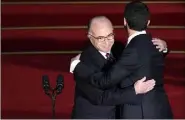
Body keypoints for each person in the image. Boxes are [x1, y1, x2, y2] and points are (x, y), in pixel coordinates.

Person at [70, 15, 169, 118]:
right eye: (100, 38)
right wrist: (134, 91)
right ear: (90, 36)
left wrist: (163, 48)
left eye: (110, 35)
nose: (107, 42)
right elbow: (101, 97)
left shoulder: (118, 48)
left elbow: (140, 59)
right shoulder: (83, 63)